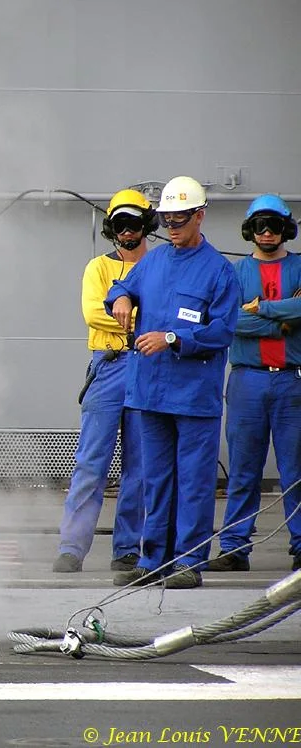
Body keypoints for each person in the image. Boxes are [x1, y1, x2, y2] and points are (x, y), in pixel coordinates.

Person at [106, 176, 240, 589]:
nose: (173, 226)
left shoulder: (220, 273)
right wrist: (122, 299)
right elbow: (121, 287)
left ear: (200, 216)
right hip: (150, 392)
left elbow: (222, 332)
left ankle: (187, 561)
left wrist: (173, 338)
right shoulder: (155, 261)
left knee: (195, 480)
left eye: (180, 218)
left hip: (193, 396)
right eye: (166, 219)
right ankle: (152, 561)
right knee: (156, 478)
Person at [53, 189, 150, 574]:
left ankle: (127, 548)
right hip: (108, 367)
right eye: (120, 224)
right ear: (111, 227)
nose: (127, 232)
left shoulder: (159, 265)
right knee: (92, 462)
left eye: (135, 223)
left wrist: (130, 313)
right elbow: (94, 314)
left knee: (140, 465)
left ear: (148, 225)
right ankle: (72, 547)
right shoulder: (98, 268)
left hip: (147, 366)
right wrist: (146, 319)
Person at [208, 194, 301, 573]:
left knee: (295, 470)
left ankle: (300, 545)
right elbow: (231, 322)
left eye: (273, 225)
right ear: (250, 230)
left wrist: (260, 307)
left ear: (285, 229)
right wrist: (283, 319)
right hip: (247, 380)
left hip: (291, 383)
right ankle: (234, 547)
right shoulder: (234, 272)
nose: (266, 233)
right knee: (244, 469)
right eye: (260, 226)